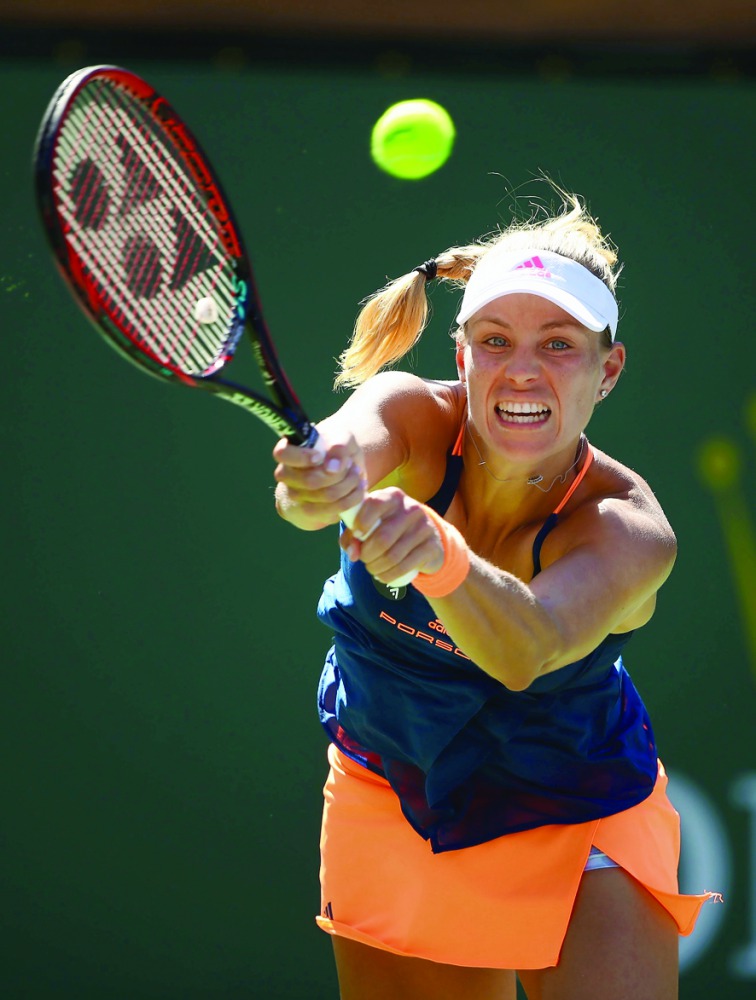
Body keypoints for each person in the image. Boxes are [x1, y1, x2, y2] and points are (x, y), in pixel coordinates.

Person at [272, 190, 717, 1000]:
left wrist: (440, 557)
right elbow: (327, 471)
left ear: (607, 370)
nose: (522, 369)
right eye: (496, 341)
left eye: (559, 345)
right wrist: (317, 478)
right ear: (463, 357)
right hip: (394, 785)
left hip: (578, 795)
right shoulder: (408, 414)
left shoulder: (628, 528)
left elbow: (526, 649)